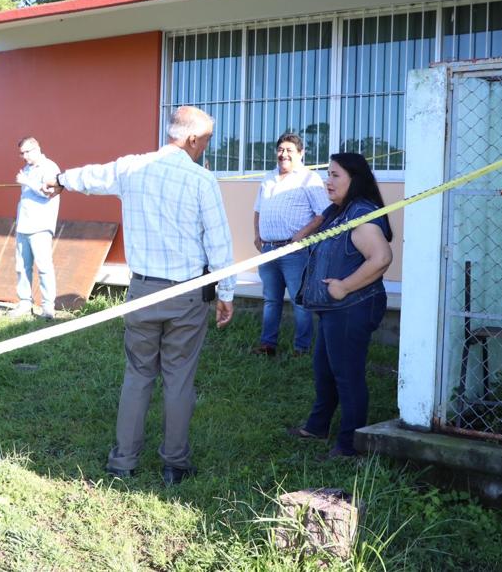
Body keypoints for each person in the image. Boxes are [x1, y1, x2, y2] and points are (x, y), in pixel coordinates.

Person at [45, 106, 235, 486]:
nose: (206, 147)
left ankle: (122, 463)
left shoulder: (132, 167)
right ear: (192, 139)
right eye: (206, 140)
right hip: (187, 296)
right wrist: (226, 292)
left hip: (142, 291)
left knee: (138, 375)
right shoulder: (202, 180)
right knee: (179, 378)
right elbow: (218, 240)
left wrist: (61, 179)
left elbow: (94, 177)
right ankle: (174, 465)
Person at [289, 153, 393, 458]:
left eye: (335, 175)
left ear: (354, 179)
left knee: (347, 375)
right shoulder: (340, 211)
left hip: (353, 307)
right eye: (328, 175)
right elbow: (318, 228)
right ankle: (317, 426)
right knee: (324, 370)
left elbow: (382, 258)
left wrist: (344, 286)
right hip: (335, 310)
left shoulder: (361, 214)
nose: (328, 181)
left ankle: (350, 444)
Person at [252, 133, 329, 357]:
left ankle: (301, 349)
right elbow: (258, 210)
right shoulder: (268, 177)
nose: (283, 154)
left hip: (295, 251)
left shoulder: (309, 178)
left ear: (301, 153)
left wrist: (301, 235)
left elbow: (323, 214)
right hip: (268, 250)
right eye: (280, 150)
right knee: (271, 300)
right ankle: (268, 345)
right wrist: (257, 234)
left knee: (299, 301)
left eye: (289, 150)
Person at [12, 137, 61, 318]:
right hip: (23, 224)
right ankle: (25, 302)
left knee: (44, 267)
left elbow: (49, 193)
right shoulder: (27, 169)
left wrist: (27, 182)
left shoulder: (50, 167)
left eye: (27, 152)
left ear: (37, 148)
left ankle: (48, 307)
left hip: (40, 225)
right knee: (22, 267)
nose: (24, 156)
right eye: (21, 153)